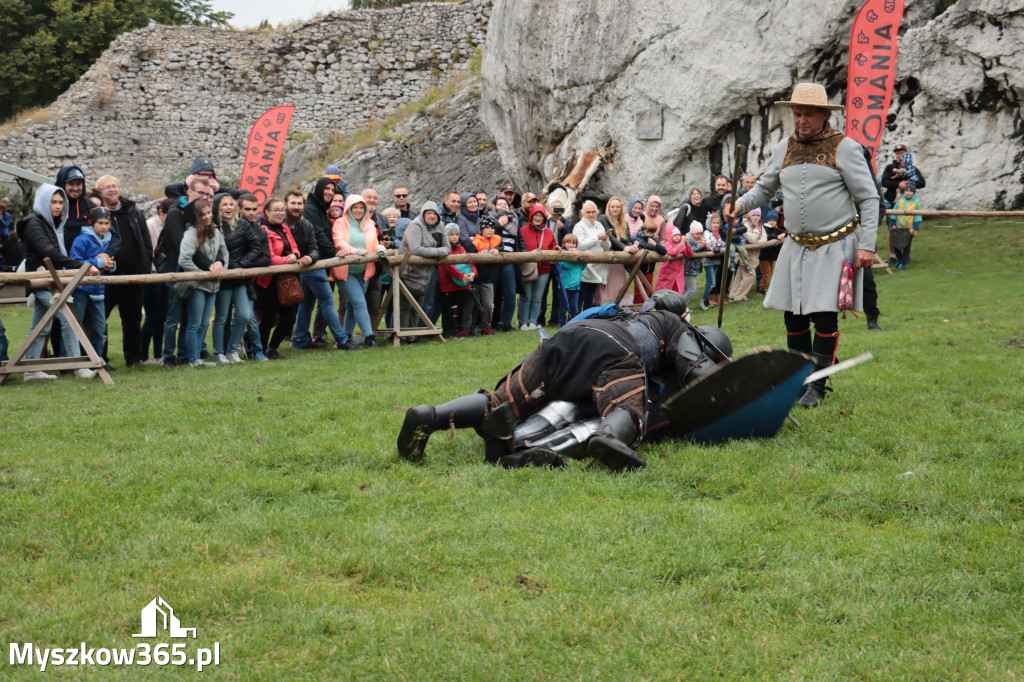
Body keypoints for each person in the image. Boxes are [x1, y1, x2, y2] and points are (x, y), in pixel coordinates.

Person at [396, 291, 727, 470]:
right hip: (612, 351)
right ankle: (610, 437)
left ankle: (431, 415)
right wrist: (730, 379)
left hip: (561, 344)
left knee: (498, 402)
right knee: (627, 406)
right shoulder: (670, 321)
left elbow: (572, 328)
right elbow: (695, 367)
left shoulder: (617, 309)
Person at [726, 82, 879, 407]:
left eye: (808, 114)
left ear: (824, 115)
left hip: (834, 246)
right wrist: (738, 205)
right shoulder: (783, 149)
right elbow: (764, 190)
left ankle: (817, 386)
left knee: (824, 317)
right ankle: (797, 381)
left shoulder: (846, 148)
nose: (801, 120)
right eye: (797, 114)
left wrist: (867, 244)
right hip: (795, 246)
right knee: (793, 317)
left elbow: (868, 197)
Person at [16, 184, 100, 380]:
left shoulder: (50, 223)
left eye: (61, 202)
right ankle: (78, 367)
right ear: (44, 202)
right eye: (54, 202)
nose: (58, 206)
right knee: (67, 315)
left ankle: (31, 370)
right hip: (39, 279)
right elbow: (48, 252)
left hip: (49, 280)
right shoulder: (34, 223)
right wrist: (83, 266)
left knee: (41, 325)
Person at [96, 175, 153, 368]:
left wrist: (144, 269)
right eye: (107, 187)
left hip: (132, 275)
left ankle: (134, 358)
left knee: (132, 319)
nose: (112, 190)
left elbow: (145, 242)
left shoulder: (133, 212)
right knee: (100, 319)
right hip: (105, 277)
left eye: (114, 186)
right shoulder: (97, 214)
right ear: (100, 192)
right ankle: (100, 359)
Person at [158, 176, 215, 367]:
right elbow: (184, 248)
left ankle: (183, 355)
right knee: (174, 317)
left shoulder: (200, 213)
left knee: (188, 317)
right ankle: (168, 357)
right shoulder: (176, 213)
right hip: (178, 272)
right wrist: (210, 265)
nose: (204, 197)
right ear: (188, 191)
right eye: (200, 192)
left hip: (194, 273)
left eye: (207, 194)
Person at [211, 193, 267, 363]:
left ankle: (231, 350)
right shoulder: (212, 226)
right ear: (217, 207)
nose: (228, 207)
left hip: (240, 277)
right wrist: (218, 264)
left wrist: (242, 264)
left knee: (244, 315)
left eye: (230, 204)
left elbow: (255, 246)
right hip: (222, 278)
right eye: (224, 204)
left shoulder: (242, 224)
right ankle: (219, 353)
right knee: (222, 317)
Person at [253, 198, 312, 359]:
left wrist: (295, 255)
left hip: (287, 278)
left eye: (281, 210)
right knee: (269, 317)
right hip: (268, 281)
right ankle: (261, 349)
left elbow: (295, 248)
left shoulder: (285, 228)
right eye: (276, 210)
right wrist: (288, 260)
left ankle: (273, 348)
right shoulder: (261, 230)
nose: (280, 213)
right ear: (266, 212)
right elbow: (268, 257)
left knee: (289, 318)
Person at [331, 193, 386, 348]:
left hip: (364, 271)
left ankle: (346, 337)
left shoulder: (369, 224)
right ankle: (370, 338)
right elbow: (339, 242)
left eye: (361, 207)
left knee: (352, 304)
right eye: (355, 207)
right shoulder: (340, 223)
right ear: (349, 208)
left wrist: (381, 249)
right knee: (360, 303)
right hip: (345, 272)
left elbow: (374, 243)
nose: (359, 210)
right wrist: (355, 251)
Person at [178, 199, 228, 367]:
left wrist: (220, 267)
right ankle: (193, 359)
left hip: (213, 285)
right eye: (203, 214)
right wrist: (203, 274)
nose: (207, 217)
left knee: (204, 323)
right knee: (194, 323)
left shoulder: (215, 231)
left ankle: (197, 356)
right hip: (197, 285)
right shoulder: (191, 233)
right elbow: (184, 259)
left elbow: (224, 254)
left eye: (209, 213)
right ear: (195, 216)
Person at [69, 206, 117, 357]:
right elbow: (76, 262)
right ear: (92, 223)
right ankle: (71, 363)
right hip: (80, 291)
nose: (104, 227)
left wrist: (112, 265)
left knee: (99, 330)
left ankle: (96, 361)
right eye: (100, 223)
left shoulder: (109, 240)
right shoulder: (81, 240)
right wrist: (101, 263)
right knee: (75, 328)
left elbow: (109, 261)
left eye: (106, 223)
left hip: (98, 290)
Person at [397, 201, 450, 336]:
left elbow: (447, 248)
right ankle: (401, 335)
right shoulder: (415, 226)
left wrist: (433, 252)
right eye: (429, 213)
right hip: (409, 272)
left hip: (426, 273)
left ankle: (412, 335)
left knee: (417, 306)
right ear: (423, 214)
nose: (432, 216)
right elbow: (416, 249)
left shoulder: (440, 226)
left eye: (434, 214)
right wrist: (438, 252)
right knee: (405, 306)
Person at [140, 198, 173, 364]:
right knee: (151, 317)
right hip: (152, 276)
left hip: (164, 275)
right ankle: (143, 355)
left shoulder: (169, 227)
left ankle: (158, 355)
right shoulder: (149, 225)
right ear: (161, 211)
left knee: (161, 317)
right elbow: (148, 251)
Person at [516, 204, 557, 329]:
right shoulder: (523, 230)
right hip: (528, 268)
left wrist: (556, 249)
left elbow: (552, 247)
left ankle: (533, 321)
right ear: (531, 217)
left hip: (544, 269)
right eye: (536, 215)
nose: (538, 218)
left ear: (544, 218)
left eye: (541, 216)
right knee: (526, 296)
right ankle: (523, 322)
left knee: (538, 298)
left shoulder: (549, 232)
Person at [438, 224, 477, 338]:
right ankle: (448, 332)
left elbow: (469, 261)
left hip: (461, 284)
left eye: (456, 234)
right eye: (451, 235)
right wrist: (461, 276)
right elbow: (448, 265)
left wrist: (473, 272)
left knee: (461, 308)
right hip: (447, 284)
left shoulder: (461, 248)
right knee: (448, 310)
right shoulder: (444, 249)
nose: (454, 237)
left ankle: (461, 329)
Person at [597, 196, 637, 305]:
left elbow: (627, 239)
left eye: (617, 207)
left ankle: (621, 304)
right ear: (608, 208)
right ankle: (607, 304)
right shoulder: (603, 219)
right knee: (609, 283)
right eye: (612, 206)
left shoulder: (625, 223)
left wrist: (631, 247)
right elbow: (610, 238)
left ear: (621, 209)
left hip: (620, 260)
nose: (615, 209)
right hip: (608, 257)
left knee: (620, 282)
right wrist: (625, 248)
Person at [575, 200, 611, 311]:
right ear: (583, 213)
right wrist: (597, 238)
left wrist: (605, 239)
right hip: (585, 268)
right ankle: (575, 319)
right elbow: (580, 246)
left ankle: (587, 319)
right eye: (588, 212)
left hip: (598, 267)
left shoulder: (599, 225)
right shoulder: (579, 226)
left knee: (590, 298)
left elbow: (607, 247)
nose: (591, 214)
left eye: (593, 212)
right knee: (580, 297)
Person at [490, 197, 519, 332]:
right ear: (495, 207)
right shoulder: (490, 218)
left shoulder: (515, 219)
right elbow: (487, 236)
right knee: (492, 294)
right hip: (493, 260)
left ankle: (507, 323)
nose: (503, 206)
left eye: (505, 204)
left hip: (509, 260)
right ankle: (491, 323)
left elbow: (518, 240)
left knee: (510, 294)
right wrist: (499, 224)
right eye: (500, 204)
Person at [470, 215, 501, 335]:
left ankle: (486, 327)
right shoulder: (476, 242)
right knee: (472, 305)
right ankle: (470, 327)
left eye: (492, 227)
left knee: (488, 305)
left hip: (489, 278)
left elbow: (502, 247)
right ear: (482, 229)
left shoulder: (497, 239)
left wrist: (498, 249)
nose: (490, 230)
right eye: (487, 227)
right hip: (476, 277)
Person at [728, 208, 766, 302]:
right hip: (745, 256)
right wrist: (756, 230)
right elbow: (752, 240)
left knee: (740, 275)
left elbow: (764, 239)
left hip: (754, 255)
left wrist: (757, 239)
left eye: (758, 215)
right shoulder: (746, 226)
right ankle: (738, 297)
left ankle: (732, 295)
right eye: (754, 215)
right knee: (750, 276)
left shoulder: (761, 225)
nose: (756, 218)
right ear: (750, 216)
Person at [632, 218, 668, 302]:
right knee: (638, 292)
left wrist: (655, 244)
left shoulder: (654, 240)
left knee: (648, 291)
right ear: (644, 230)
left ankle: (646, 308)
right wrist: (654, 247)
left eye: (652, 233)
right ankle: (636, 309)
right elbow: (642, 245)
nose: (649, 234)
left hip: (650, 271)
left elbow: (664, 251)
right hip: (639, 271)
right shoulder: (638, 238)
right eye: (647, 232)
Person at [655, 226, 694, 295]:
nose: (677, 237)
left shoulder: (681, 244)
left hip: (678, 273)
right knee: (665, 291)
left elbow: (690, 254)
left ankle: (675, 304)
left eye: (678, 235)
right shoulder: (668, 245)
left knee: (677, 291)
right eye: (674, 235)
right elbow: (673, 253)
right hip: (667, 273)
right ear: (669, 236)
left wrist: (687, 244)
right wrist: (682, 243)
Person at [892, 182, 921, 270]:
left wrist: (914, 228)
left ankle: (903, 262)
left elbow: (918, 216)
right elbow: (894, 213)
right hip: (898, 227)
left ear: (914, 193)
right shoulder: (900, 201)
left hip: (909, 229)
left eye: (910, 191)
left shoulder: (916, 203)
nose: (908, 193)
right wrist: (893, 224)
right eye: (906, 191)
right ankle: (899, 259)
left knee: (906, 246)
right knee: (896, 245)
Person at [700, 213, 726, 310]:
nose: (715, 225)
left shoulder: (717, 234)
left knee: (711, 282)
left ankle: (706, 301)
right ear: (709, 223)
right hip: (708, 260)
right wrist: (719, 249)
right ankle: (703, 300)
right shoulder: (707, 233)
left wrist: (724, 246)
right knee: (712, 282)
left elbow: (721, 243)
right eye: (713, 223)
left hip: (716, 260)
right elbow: (709, 245)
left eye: (717, 223)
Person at [557, 233, 584, 323]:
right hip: (565, 285)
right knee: (564, 306)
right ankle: (562, 322)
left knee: (574, 306)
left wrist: (584, 257)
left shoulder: (578, 254)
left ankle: (572, 322)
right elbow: (566, 265)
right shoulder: (562, 253)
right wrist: (572, 256)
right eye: (568, 243)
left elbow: (582, 267)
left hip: (576, 285)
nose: (571, 245)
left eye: (573, 243)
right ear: (564, 244)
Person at [758, 209, 786, 295]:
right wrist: (777, 237)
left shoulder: (776, 229)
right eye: (770, 220)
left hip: (771, 256)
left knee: (770, 272)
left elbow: (786, 232)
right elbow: (767, 236)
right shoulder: (765, 228)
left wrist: (783, 234)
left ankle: (765, 287)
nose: (771, 222)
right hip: (764, 255)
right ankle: (762, 289)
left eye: (774, 220)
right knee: (766, 273)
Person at [681, 222, 706, 306]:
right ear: (692, 233)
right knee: (692, 289)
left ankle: (680, 307)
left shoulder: (698, 240)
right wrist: (700, 247)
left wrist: (703, 246)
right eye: (697, 233)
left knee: (685, 288)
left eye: (701, 233)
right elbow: (690, 251)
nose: (699, 235)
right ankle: (681, 306)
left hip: (694, 268)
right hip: (688, 268)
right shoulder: (688, 240)